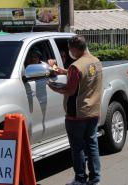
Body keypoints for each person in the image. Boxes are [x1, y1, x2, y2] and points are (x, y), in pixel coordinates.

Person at [48, 35, 102, 185]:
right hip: (93, 111)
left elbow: (70, 90)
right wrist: (56, 69)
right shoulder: (95, 62)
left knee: (77, 148)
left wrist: (53, 87)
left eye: (70, 49)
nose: (69, 52)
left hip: (77, 114)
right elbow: (79, 76)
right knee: (92, 145)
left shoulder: (76, 66)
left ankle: (80, 179)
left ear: (75, 48)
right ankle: (95, 178)